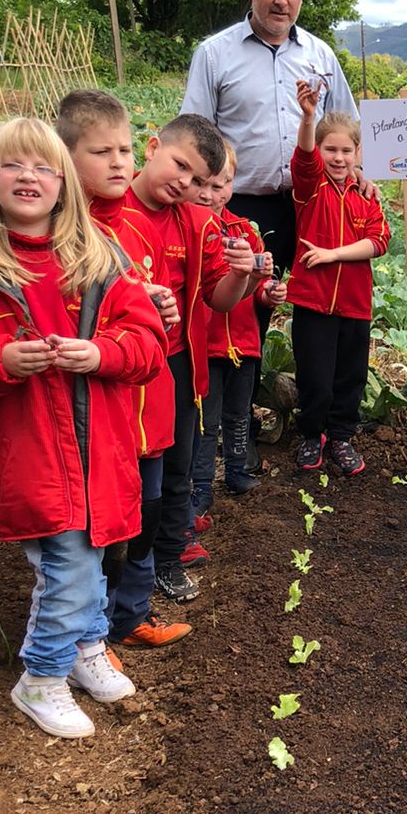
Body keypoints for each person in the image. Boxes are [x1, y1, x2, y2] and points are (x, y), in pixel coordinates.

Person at [0, 117, 167, 739]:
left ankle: (86, 649)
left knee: (96, 549)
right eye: (12, 165)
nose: (28, 176)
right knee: (70, 567)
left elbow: (148, 343)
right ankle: (42, 676)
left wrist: (101, 353)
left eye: (43, 167)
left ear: (63, 184)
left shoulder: (98, 258)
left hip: (100, 446)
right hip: (31, 453)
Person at [182, 0, 357, 468]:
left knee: (315, 314)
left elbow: (343, 124)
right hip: (241, 208)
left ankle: (313, 421)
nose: (281, 1)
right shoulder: (215, 53)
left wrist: (360, 178)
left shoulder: (320, 55)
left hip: (309, 208)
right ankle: (233, 427)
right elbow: (196, 134)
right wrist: (202, 205)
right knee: (238, 314)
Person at [56, 88, 191, 652]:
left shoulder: (137, 228)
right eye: (101, 151)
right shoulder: (62, 236)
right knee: (97, 528)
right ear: (66, 157)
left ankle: (130, 616)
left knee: (146, 513)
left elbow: (159, 320)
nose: (118, 163)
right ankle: (91, 633)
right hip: (98, 413)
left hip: (149, 405)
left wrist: (163, 308)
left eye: (125, 149)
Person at [126, 114, 256, 605]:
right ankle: (123, 567)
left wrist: (242, 275)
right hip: (119, 365)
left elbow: (219, 299)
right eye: (181, 167)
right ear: (152, 147)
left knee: (178, 464)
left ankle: (166, 556)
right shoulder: (105, 211)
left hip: (177, 361)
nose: (188, 185)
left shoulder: (197, 221)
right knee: (132, 468)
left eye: (201, 181)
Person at [287, 79, 389, 476]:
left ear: (359, 153)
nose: (338, 157)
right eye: (331, 149)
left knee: (351, 374)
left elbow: (378, 241)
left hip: (355, 302)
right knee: (315, 374)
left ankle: (342, 436)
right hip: (312, 300)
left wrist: (332, 254)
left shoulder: (367, 196)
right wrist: (309, 117)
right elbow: (304, 158)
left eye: (347, 150)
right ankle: (312, 435)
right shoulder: (309, 189)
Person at [187, 146, 286, 527]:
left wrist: (268, 291)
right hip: (207, 344)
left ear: (232, 183)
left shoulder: (245, 230)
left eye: (223, 184)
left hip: (244, 341)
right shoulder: (190, 230)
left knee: (238, 412)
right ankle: (200, 486)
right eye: (205, 185)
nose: (212, 194)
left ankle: (237, 470)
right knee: (206, 419)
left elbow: (258, 289)